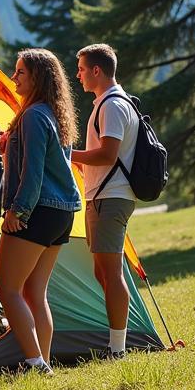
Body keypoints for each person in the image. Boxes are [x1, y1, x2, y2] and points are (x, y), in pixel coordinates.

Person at [0, 49, 81, 374]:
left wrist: (18, 210)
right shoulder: (55, 114)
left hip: (37, 209)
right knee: (34, 290)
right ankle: (42, 360)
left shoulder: (32, 116)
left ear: (37, 78)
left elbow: (33, 172)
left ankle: (34, 362)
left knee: (6, 287)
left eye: (20, 73)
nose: (14, 77)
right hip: (62, 212)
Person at [71, 43, 139, 360]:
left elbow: (108, 154)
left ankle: (117, 348)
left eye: (82, 69)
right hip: (102, 196)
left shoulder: (112, 105)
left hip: (111, 197)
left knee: (111, 274)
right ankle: (115, 342)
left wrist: (67, 154)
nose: (79, 75)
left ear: (97, 70)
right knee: (103, 272)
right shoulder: (107, 103)